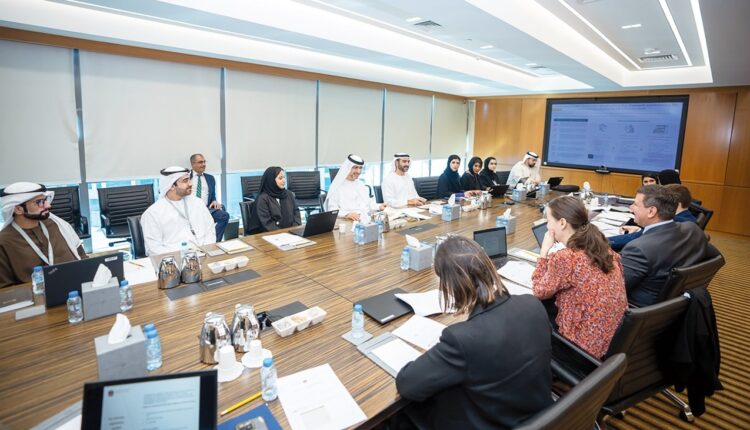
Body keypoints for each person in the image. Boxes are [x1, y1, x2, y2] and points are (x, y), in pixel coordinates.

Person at [396, 236, 552, 429]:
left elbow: (407, 385)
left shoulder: (462, 339)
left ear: (451, 286)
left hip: (489, 422)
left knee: (403, 415)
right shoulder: (533, 304)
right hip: (540, 418)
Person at [532, 196, 627, 358]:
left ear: (562, 223)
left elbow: (538, 291)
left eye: (548, 221)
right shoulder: (604, 249)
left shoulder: (566, 258)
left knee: (529, 313)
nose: (547, 226)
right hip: (612, 342)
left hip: (581, 350)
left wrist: (543, 253)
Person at [620, 185, 717, 307]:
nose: (631, 208)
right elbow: (716, 258)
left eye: (635, 204)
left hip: (637, 309)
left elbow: (615, 288)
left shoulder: (638, 249)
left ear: (651, 211)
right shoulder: (692, 229)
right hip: (674, 305)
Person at [0, 182, 87, 288]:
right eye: (39, 202)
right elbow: (5, 289)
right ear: (18, 209)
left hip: (78, 287)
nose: (48, 205)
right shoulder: (4, 242)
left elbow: (82, 256)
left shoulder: (57, 225)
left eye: (45, 200)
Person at [141, 166, 216, 256]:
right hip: (175, 260)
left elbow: (210, 229)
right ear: (172, 186)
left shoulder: (198, 202)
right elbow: (153, 249)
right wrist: (183, 256)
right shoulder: (153, 213)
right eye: (185, 181)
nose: (191, 183)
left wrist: (206, 250)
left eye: (189, 179)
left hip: (206, 255)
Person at [609, 183, 697, 251]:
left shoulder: (674, 224)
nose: (631, 208)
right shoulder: (689, 225)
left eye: (635, 204)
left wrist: (601, 242)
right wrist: (640, 230)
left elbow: (637, 238)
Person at [323, 154, 385, 221]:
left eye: (360, 168)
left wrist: (379, 206)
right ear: (347, 168)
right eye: (355, 168)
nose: (359, 171)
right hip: (348, 221)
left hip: (366, 219)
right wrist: (347, 214)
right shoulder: (337, 186)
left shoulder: (360, 183)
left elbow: (368, 203)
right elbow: (332, 210)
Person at [190, 154, 230, 241]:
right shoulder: (186, 178)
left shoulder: (210, 178)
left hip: (206, 209)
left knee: (224, 216)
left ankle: (215, 241)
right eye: (200, 162)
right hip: (191, 210)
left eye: (204, 162)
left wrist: (214, 201)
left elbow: (212, 196)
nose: (204, 164)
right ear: (193, 164)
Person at [250, 166, 301, 232]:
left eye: (284, 177)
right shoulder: (263, 199)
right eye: (280, 178)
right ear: (271, 180)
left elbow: (296, 213)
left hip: (291, 232)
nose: (284, 180)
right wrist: (283, 233)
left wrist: (294, 229)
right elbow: (267, 223)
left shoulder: (289, 194)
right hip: (271, 234)